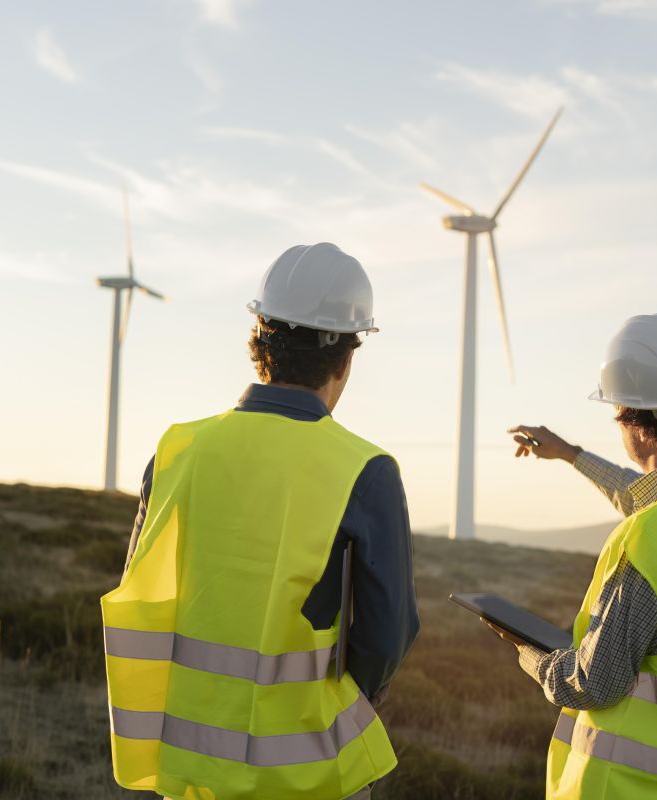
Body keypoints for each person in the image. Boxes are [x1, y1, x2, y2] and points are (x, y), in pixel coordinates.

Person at [101, 243, 419, 800]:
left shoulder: (178, 449)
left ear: (259, 341)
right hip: (307, 771)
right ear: (347, 358)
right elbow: (386, 636)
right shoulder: (365, 471)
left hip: (187, 764)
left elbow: (142, 587)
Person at [495, 312, 657, 799]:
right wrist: (571, 454)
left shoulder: (650, 540)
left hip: (625, 788)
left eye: (618, 411)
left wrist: (529, 655)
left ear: (642, 422)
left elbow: (593, 683)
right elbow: (649, 495)